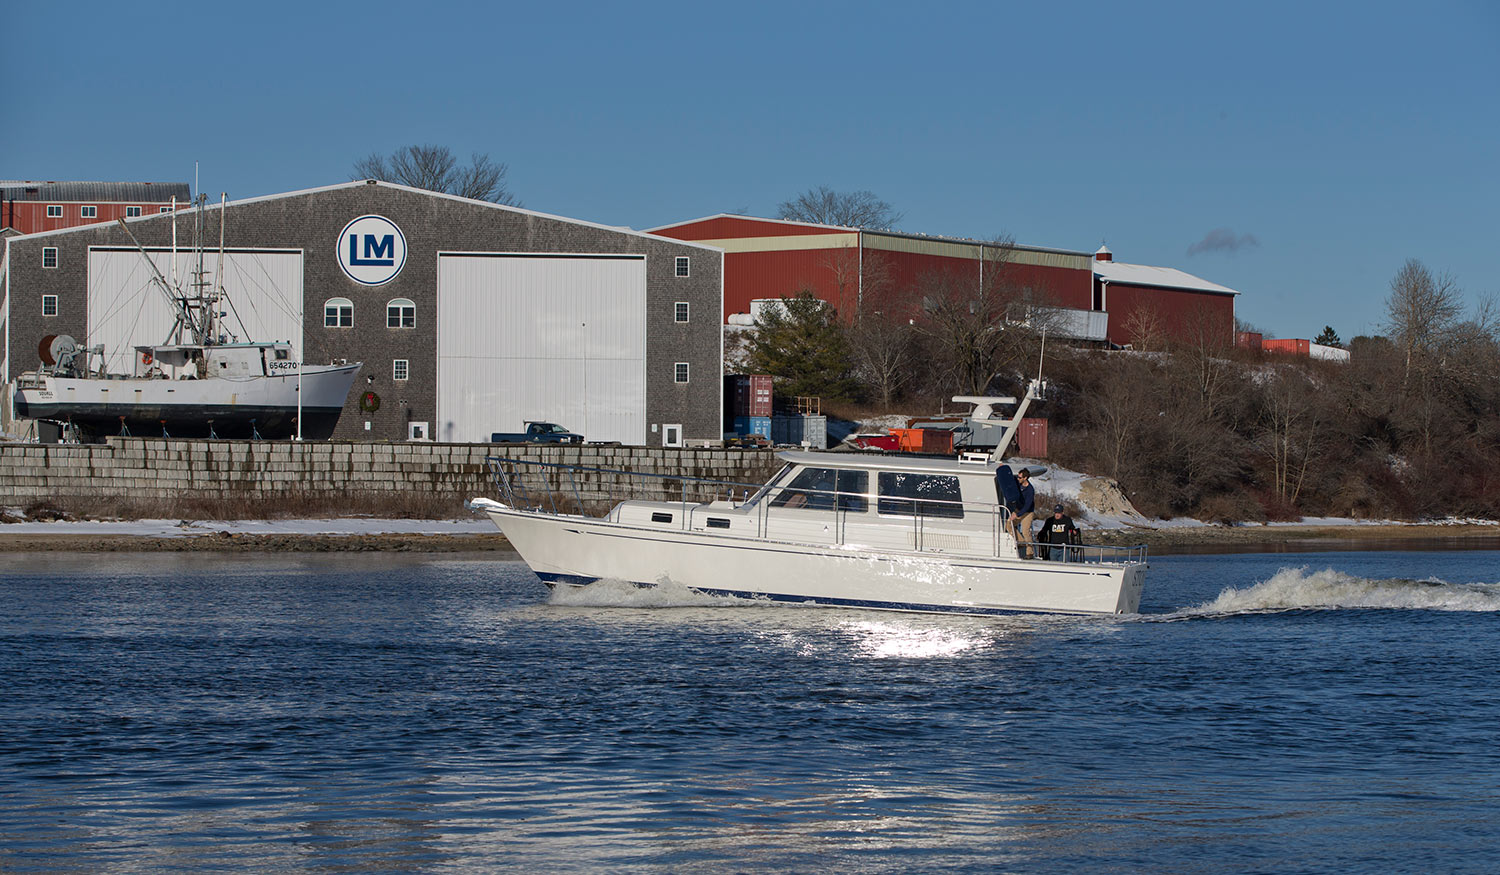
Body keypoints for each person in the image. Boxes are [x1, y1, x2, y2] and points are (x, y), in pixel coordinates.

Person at [1013, 469, 1036, 558]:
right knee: (1008, 525)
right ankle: (1021, 541)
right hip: (1018, 510)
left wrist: (1017, 515)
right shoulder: (1018, 484)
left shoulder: (1030, 490)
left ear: (1025, 478)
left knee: (1026, 531)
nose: (1018, 479)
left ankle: (1029, 552)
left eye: (1020, 477)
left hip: (1027, 512)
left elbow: (1027, 505)